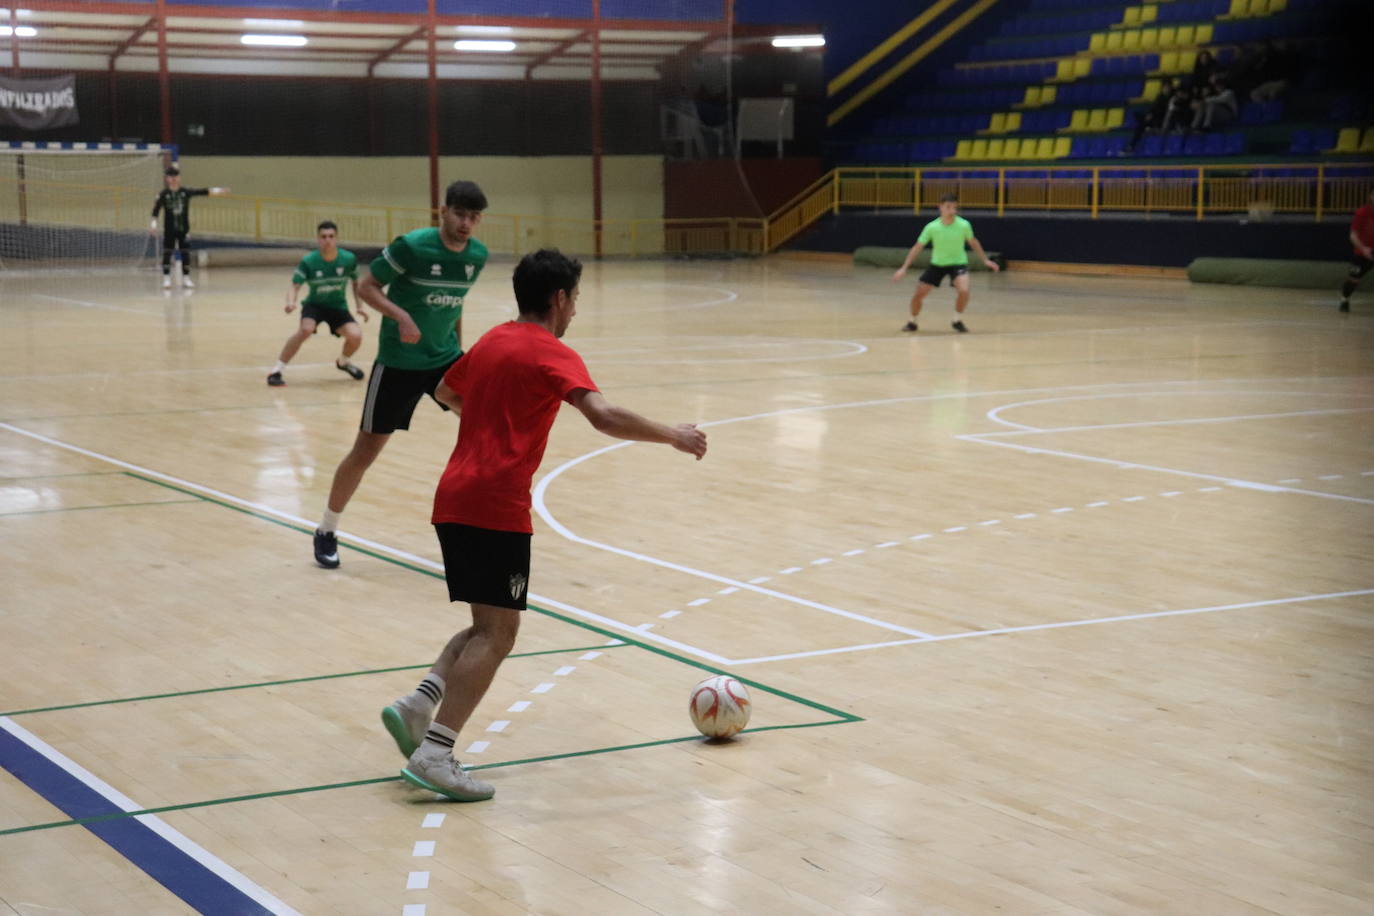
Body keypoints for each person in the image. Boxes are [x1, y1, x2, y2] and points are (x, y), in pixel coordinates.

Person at [380, 249, 708, 801]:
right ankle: (435, 753)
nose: (574, 310)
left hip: (454, 496)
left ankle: (419, 704)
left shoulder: (492, 340)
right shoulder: (552, 352)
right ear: (558, 298)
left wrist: (495, 419)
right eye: (574, 299)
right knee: (498, 634)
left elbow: (447, 391)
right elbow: (603, 416)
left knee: (486, 623)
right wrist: (673, 435)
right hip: (495, 504)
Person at [312, 180, 488, 569]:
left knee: (486, 428)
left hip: (444, 359)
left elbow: (455, 304)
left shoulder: (477, 255)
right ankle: (326, 529)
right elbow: (367, 286)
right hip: (398, 363)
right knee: (365, 451)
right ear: (444, 211)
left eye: (474, 217)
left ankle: (478, 528)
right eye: (460, 214)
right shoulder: (412, 246)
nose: (466, 223)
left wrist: (459, 354)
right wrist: (401, 316)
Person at [267, 221, 366, 387]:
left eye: (331, 236)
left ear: (336, 238)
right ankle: (276, 370)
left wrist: (360, 306)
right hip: (314, 306)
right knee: (305, 330)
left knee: (356, 336)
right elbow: (295, 286)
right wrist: (291, 302)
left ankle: (343, 362)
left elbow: (357, 283)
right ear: (318, 239)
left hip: (337, 307)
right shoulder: (309, 261)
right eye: (323, 237)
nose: (327, 240)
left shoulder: (348, 259)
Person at [892, 194, 999, 333]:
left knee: (964, 291)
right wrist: (904, 268)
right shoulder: (932, 227)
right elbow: (917, 247)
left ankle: (956, 320)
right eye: (948, 207)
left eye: (954, 208)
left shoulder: (964, 225)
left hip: (958, 264)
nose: (952, 211)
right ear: (940, 207)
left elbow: (973, 242)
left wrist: (985, 260)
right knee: (919, 294)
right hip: (937, 265)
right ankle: (912, 322)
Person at [149, 166, 229, 289]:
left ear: (179, 178)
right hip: (169, 230)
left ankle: (186, 279)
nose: (174, 179)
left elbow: (202, 191)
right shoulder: (163, 194)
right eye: (171, 177)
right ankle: (166, 279)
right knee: (167, 252)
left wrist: (219, 190)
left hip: (183, 229)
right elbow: (156, 210)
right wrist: (153, 225)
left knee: (185, 253)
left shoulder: (185, 192)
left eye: (176, 176)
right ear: (167, 179)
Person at [1339, 190, 1374, 313]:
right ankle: (1345, 300)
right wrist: (1364, 249)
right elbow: (1353, 236)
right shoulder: (1362, 213)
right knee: (1354, 279)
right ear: (1371, 197)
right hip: (1362, 253)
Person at [1127, 76, 1176, 151]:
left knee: (1141, 125)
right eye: (1164, 87)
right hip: (1154, 118)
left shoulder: (1173, 97)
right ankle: (1132, 145)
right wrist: (1150, 114)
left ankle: (1132, 144)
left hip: (1162, 120)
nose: (1166, 89)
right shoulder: (1160, 96)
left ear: (1171, 87)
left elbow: (1168, 112)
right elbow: (1154, 108)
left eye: (1168, 87)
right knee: (1137, 116)